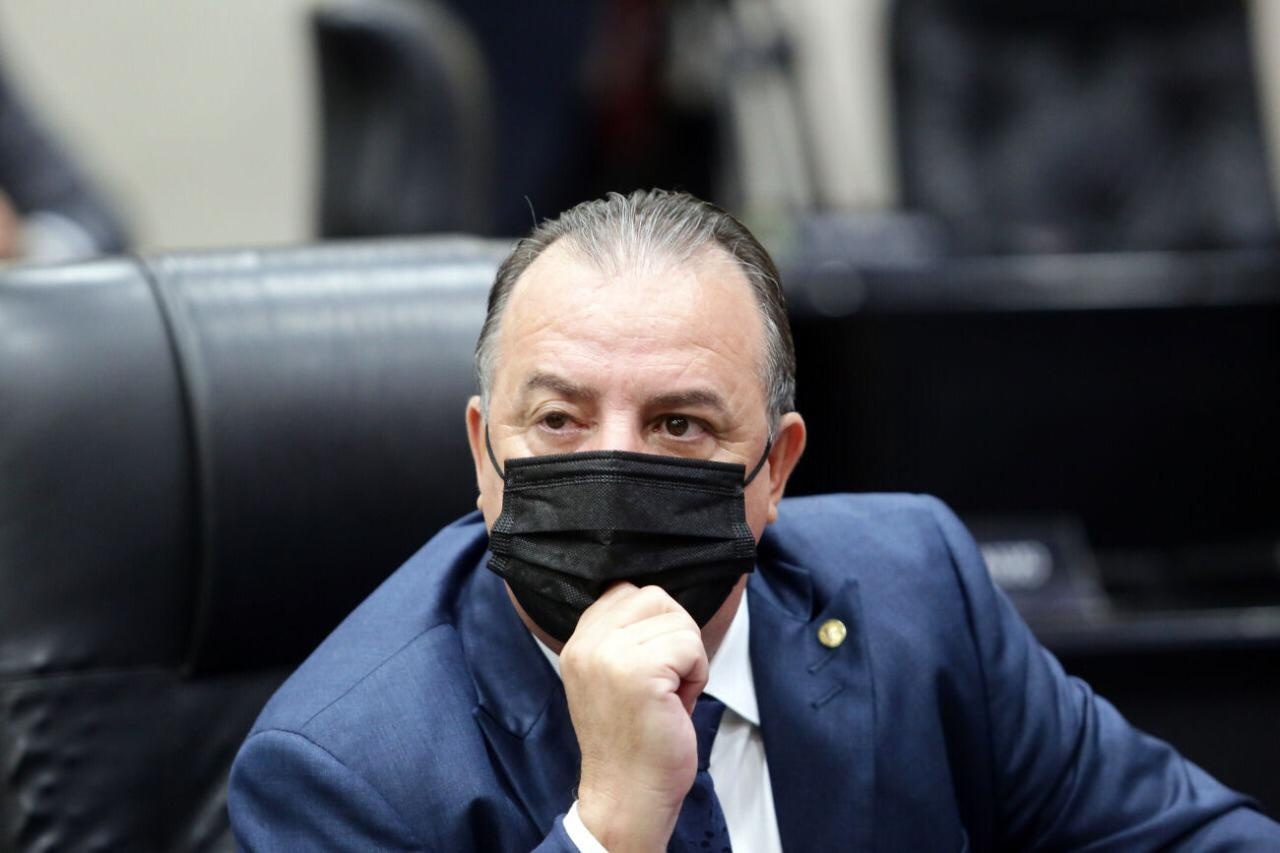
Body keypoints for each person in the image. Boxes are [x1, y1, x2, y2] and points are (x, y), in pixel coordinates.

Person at [228, 190, 1278, 851]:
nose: (615, 466)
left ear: (775, 468)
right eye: (558, 420)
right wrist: (608, 827)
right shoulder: (339, 771)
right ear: (481, 451)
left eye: (678, 424)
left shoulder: (915, 586)